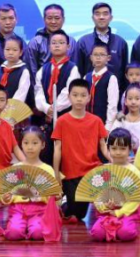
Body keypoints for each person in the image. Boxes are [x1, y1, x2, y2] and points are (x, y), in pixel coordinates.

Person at [52, 78, 110, 221]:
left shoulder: (96, 120)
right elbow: (57, 148)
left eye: (83, 95)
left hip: (93, 171)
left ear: (89, 97)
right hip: (70, 173)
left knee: (105, 203)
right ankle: (64, 204)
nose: (79, 99)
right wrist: (56, 173)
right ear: (69, 97)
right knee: (77, 214)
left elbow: (103, 146)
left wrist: (114, 160)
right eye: (75, 95)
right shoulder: (62, 121)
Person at [4, 126, 61, 242]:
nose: (30, 147)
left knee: (38, 233)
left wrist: (54, 196)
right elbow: (6, 193)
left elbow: (55, 194)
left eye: (35, 143)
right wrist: (6, 198)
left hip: (40, 210)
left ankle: (30, 227)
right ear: (21, 144)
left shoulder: (48, 169)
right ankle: (21, 226)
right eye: (26, 143)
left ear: (43, 145)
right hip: (18, 210)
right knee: (13, 233)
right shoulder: (15, 168)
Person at [89, 128, 140, 243]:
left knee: (126, 233)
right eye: (114, 148)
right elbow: (96, 195)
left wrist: (118, 212)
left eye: (122, 148)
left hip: (126, 213)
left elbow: (136, 199)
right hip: (106, 213)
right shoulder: (103, 170)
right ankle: (112, 230)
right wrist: (104, 207)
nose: (118, 152)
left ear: (130, 149)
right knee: (97, 234)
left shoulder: (135, 173)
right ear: (108, 148)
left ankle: (122, 228)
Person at [55, 44, 118, 127]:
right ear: (91, 57)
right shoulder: (86, 77)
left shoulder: (111, 78)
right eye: (95, 54)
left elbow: (112, 105)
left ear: (108, 58)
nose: (98, 57)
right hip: (86, 122)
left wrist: (108, 126)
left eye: (102, 54)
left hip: (103, 123)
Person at [74, 2, 129, 86]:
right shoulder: (83, 42)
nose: (101, 17)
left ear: (111, 18)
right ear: (93, 18)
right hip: (90, 91)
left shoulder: (121, 42)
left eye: (105, 14)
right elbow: (78, 72)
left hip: (116, 91)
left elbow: (125, 72)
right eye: (97, 14)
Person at [34, 30, 80, 121]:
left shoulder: (73, 68)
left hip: (66, 115)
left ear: (68, 46)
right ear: (49, 47)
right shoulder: (43, 69)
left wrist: (54, 108)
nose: (57, 45)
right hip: (46, 115)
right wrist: (46, 108)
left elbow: (69, 92)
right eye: (54, 43)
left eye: (61, 43)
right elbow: (38, 91)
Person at [25, 4, 77, 75]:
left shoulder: (71, 42)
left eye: (57, 18)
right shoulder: (35, 42)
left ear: (63, 20)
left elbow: (75, 67)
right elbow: (31, 71)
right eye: (49, 18)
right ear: (44, 19)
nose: (53, 22)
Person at [0, 35, 31, 106]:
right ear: (3, 50)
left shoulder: (24, 71)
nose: (11, 53)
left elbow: (21, 94)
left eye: (14, 50)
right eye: (7, 49)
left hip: (14, 109)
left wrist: (8, 108)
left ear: (20, 52)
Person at [112, 85, 140, 150]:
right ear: (125, 101)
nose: (133, 102)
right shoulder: (120, 122)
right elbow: (111, 143)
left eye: (137, 99)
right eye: (130, 99)